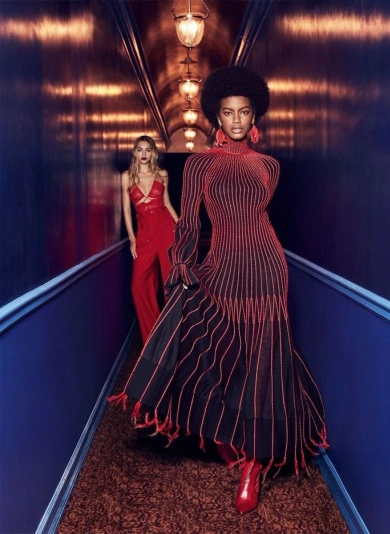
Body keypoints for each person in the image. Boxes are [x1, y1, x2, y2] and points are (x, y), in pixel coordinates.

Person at [110, 67, 328, 515]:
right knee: (222, 348)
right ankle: (228, 432)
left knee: (263, 357)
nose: (236, 120)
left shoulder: (269, 166)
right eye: (228, 112)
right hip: (222, 265)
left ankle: (254, 463)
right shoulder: (199, 164)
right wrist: (182, 262)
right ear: (217, 116)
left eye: (244, 112)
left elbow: (260, 219)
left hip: (267, 267)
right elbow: (189, 222)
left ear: (254, 117)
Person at [121, 135, 178, 344]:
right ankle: (154, 336)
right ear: (135, 152)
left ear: (153, 152)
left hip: (166, 231)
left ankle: (174, 335)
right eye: (140, 149)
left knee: (170, 283)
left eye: (147, 150)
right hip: (144, 236)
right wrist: (131, 238)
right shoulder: (127, 177)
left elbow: (167, 203)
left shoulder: (162, 174)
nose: (143, 154)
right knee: (138, 286)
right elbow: (127, 210)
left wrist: (182, 229)